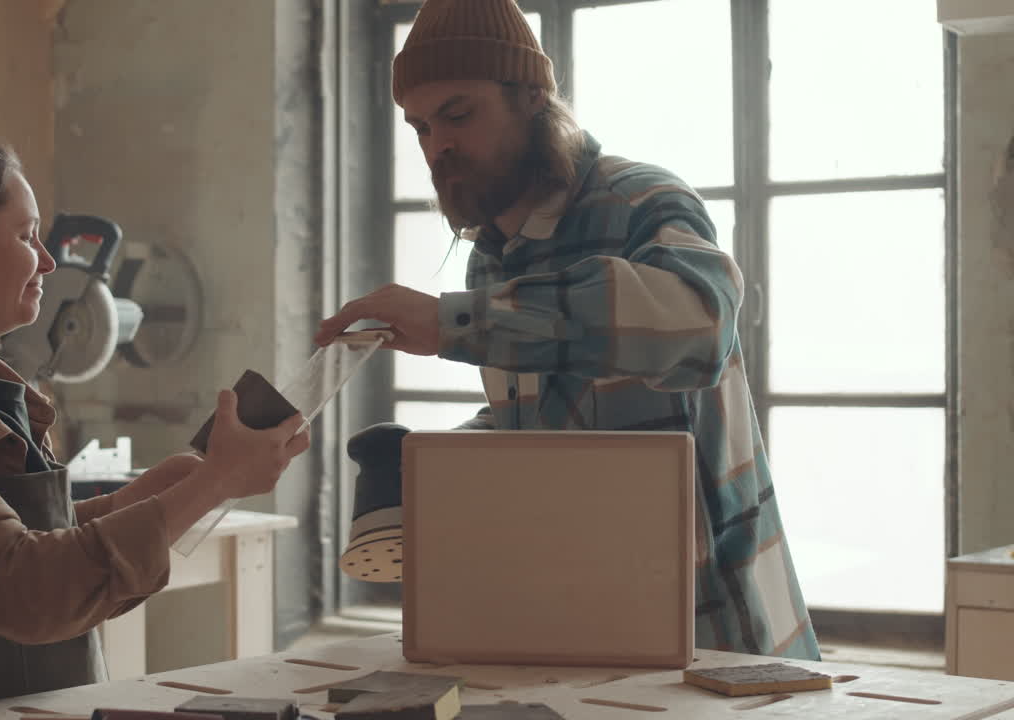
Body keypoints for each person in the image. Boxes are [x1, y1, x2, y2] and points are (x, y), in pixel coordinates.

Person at [314, 0, 820, 660]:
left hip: (719, 631)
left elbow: (696, 325)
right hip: (585, 618)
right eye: (420, 126)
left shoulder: (643, 200)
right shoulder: (491, 254)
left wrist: (451, 320)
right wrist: (435, 469)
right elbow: (553, 417)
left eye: (459, 114)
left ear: (531, 98)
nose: (438, 145)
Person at [0, 127, 310, 709]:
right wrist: (213, 483)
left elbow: (22, 539)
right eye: (27, 236)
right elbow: (24, 588)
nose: (48, 262)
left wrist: (147, 496)